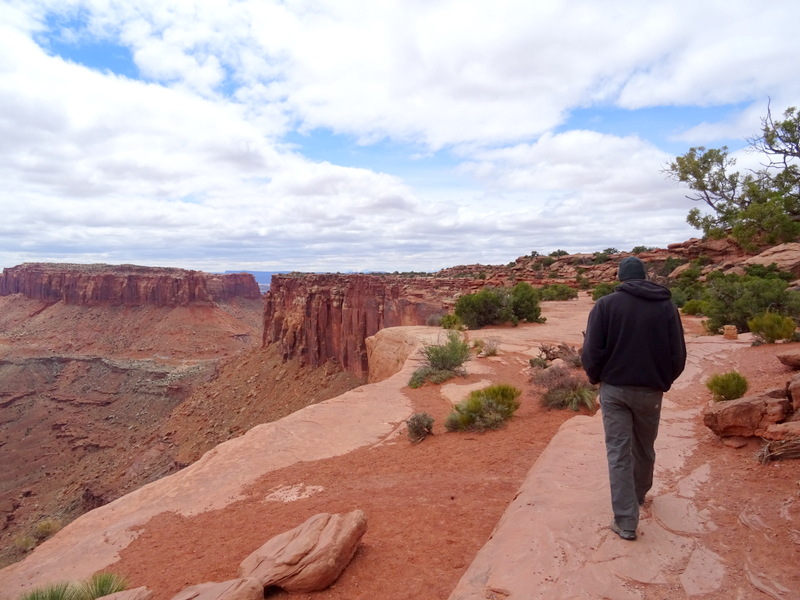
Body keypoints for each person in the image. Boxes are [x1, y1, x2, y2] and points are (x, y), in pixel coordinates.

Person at [581, 256, 686, 541]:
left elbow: (591, 351)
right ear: (644, 277)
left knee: (618, 452)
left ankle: (626, 521)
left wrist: (597, 378)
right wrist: (664, 381)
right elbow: (678, 354)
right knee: (644, 446)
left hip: (615, 390)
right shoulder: (666, 306)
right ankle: (638, 494)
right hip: (650, 391)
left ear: (620, 278)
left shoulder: (605, 305)